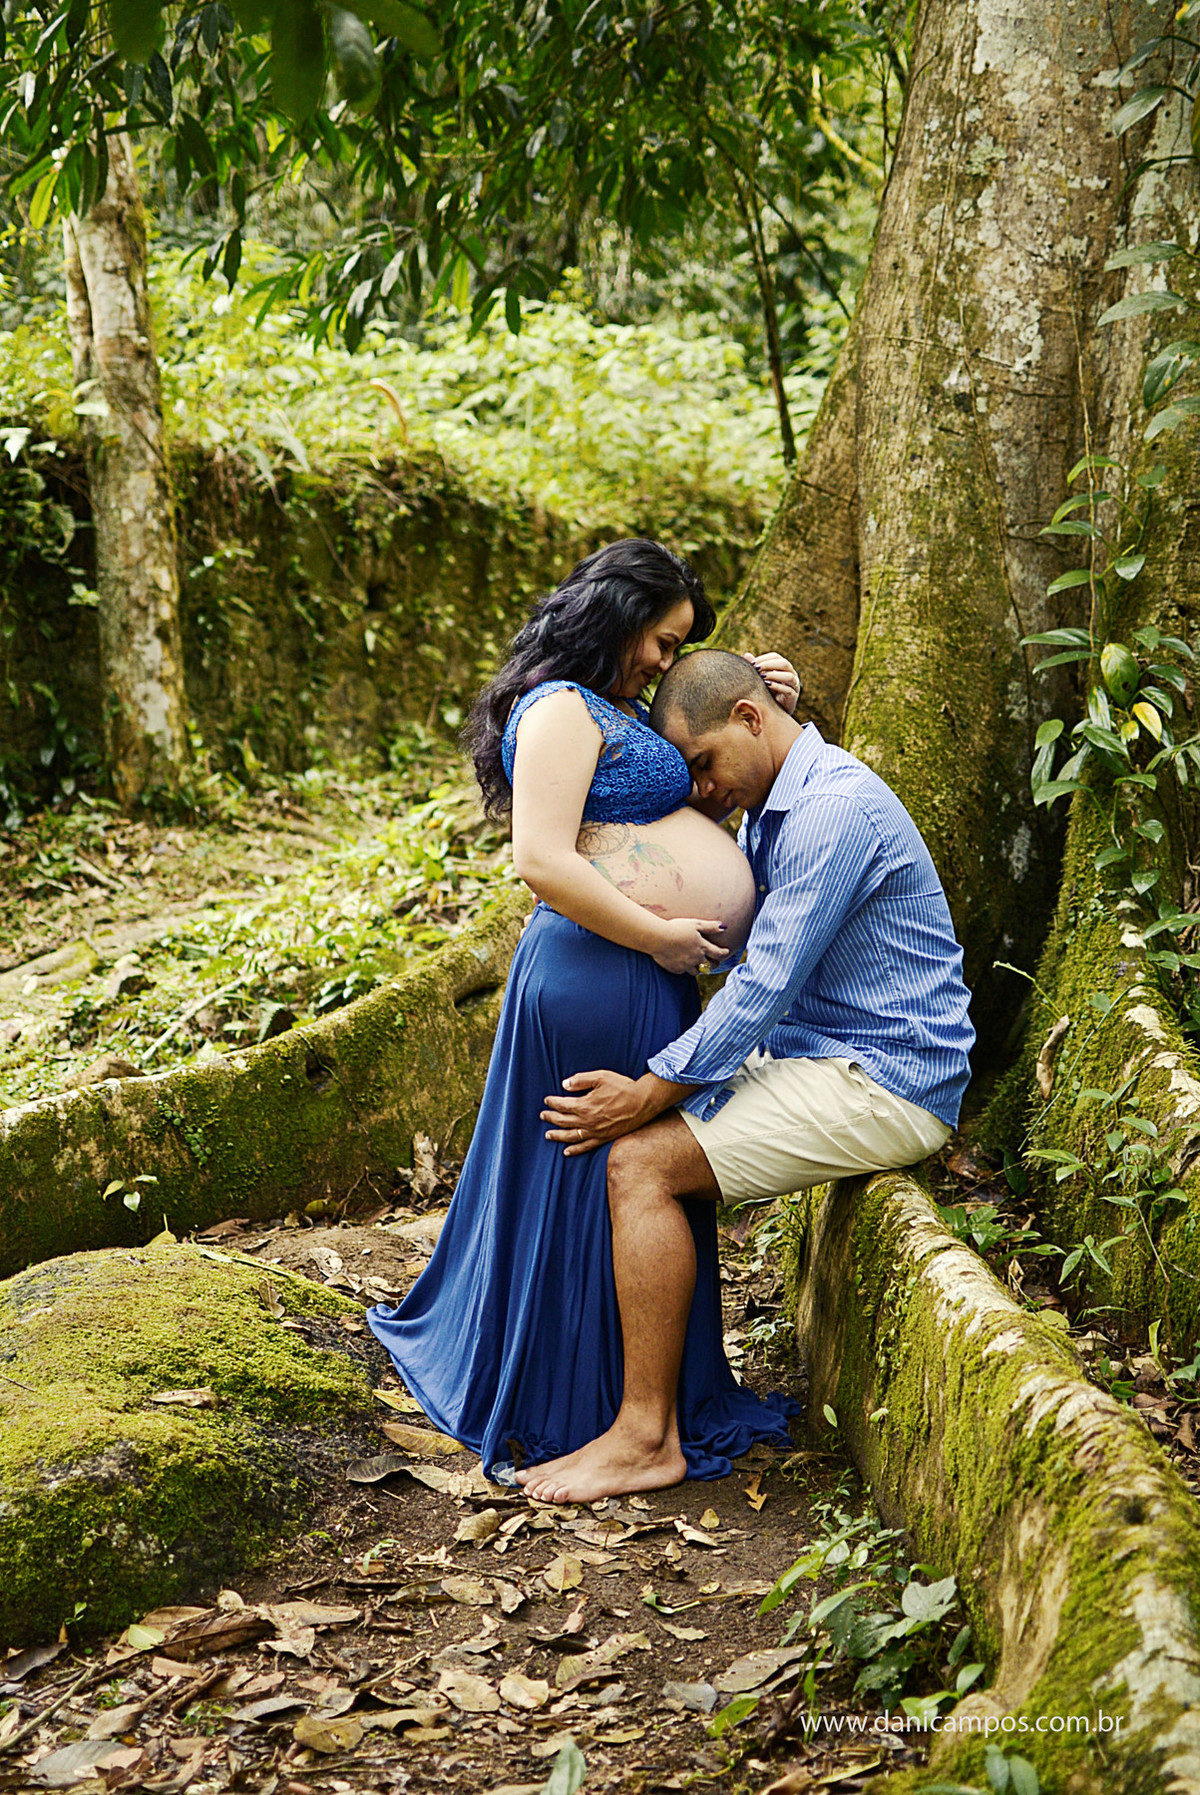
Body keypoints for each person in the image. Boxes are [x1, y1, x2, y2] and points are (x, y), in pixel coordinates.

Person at [367, 544, 802, 1484]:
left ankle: (644, 1401)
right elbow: (541, 859)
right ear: (619, 614)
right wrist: (658, 936)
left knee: (629, 1172)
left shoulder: (618, 712)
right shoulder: (560, 709)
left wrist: (768, 701)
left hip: (645, 971)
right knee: (598, 1171)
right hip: (600, 970)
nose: (662, 661)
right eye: (662, 641)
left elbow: (689, 798)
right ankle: (581, 1404)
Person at [527, 648, 975, 1503]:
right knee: (642, 1145)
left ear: (749, 718)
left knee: (641, 1163)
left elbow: (763, 984)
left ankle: (645, 1438)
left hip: (885, 1076)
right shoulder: (781, 796)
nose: (703, 788)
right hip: (822, 1049)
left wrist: (653, 1090)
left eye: (704, 764)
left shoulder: (833, 810)